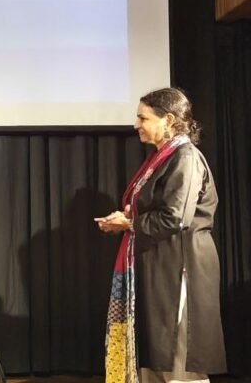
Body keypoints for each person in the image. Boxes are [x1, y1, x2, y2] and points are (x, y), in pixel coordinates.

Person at [97, 88, 226, 383]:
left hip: (180, 268)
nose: (136, 124)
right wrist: (126, 220)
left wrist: (129, 224)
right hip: (158, 265)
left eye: (143, 118)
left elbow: (176, 217)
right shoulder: (163, 157)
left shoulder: (186, 157)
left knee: (177, 360)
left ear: (168, 119)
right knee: (155, 359)